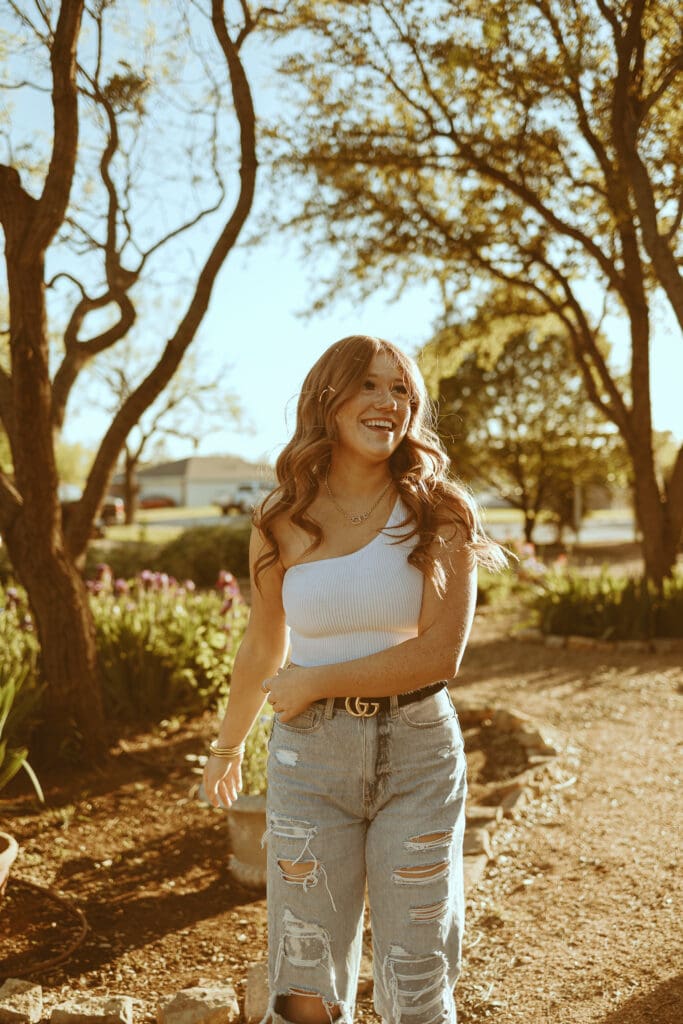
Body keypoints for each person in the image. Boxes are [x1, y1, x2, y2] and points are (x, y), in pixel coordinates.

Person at [203, 335, 507, 1024]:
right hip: (308, 761)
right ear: (328, 398)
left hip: (419, 756)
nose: (387, 402)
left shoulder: (440, 510)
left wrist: (316, 680)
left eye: (401, 390)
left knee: (417, 979)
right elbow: (262, 644)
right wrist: (227, 747)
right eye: (369, 384)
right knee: (304, 986)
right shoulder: (279, 518)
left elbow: (440, 654)